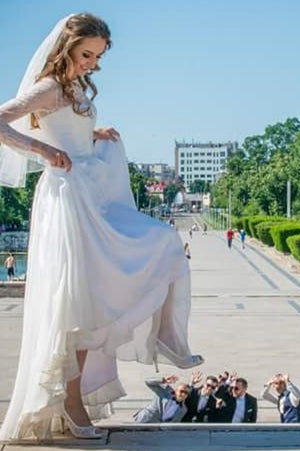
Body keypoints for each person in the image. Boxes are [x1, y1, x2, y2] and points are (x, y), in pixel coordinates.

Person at [0, 13, 203, 442]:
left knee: (153, 248)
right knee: (76, 304)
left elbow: (71, 130)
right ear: (68, 46)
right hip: (68, 197)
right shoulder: (51, 86)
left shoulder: (73, 87)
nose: (92, 62)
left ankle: (165, 339)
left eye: (98, 56)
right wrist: (42, 150)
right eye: (86, 53)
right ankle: (70, 404)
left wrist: (94, 135)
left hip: (89, 190)